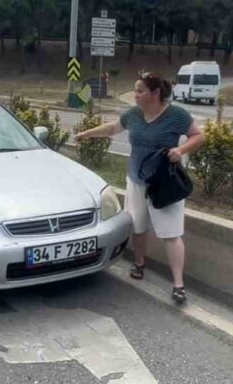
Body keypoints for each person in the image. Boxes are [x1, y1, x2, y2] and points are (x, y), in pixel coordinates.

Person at [76, 73, 204, 304]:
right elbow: (114, 128)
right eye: (135, 90)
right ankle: (139, 262)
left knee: (171, 234)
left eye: (140, 91)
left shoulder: (176, 115)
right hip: (136, 181)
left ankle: (178, 285)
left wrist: (181, 150)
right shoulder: (133, 114)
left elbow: (198, 136)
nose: (135, 95)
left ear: (155, 94)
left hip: (164, 185)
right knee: (138, 227)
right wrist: (87, 134)